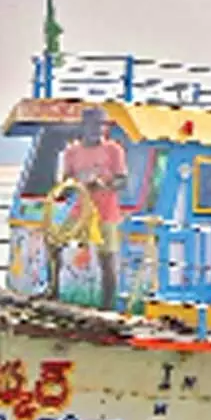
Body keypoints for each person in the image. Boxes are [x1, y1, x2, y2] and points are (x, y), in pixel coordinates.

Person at [52, 106, 128, 310]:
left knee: (107, 257)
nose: (98, 130)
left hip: (106, 212)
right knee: (55, 244)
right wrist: (67, 188)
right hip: (80, 209)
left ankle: (107, 305)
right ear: (83, 127)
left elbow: (122, 181)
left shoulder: (114, 150)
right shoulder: (72, 152)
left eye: (102, 125)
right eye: (94, 125)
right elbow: (66, 183)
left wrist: (102, 184)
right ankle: (53, 291)